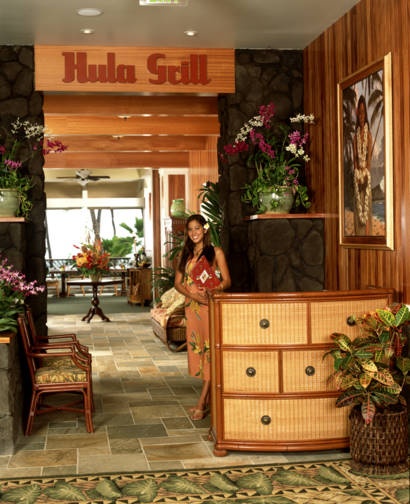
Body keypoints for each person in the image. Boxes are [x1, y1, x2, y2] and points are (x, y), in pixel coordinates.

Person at [174, 214, 231, 421]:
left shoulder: (215, 252)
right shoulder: (186, 254)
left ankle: (202, 402)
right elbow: (178, 283)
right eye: (190, 230)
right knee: (199, 352)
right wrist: (192, 295)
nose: (194, 233)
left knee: (210, 353)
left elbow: (227, 281)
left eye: (197, 228)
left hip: (209, 308)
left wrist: (215, 288)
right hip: (192, 309)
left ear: (204, 229)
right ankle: (207, 399)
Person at [352, 95, 373, 235]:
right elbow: (354, 159)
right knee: (358, 208)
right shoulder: (355, 137)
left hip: (366, 177)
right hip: (357, 177)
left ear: (365, 115)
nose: (361, 115)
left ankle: (367, 235)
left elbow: (369, 159)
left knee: (367, 207)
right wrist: (357, 174)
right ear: (357, 114)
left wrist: (365, 175)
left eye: (363, 112)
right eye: (359, 112)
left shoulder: (369, 135)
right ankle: (358, 236)